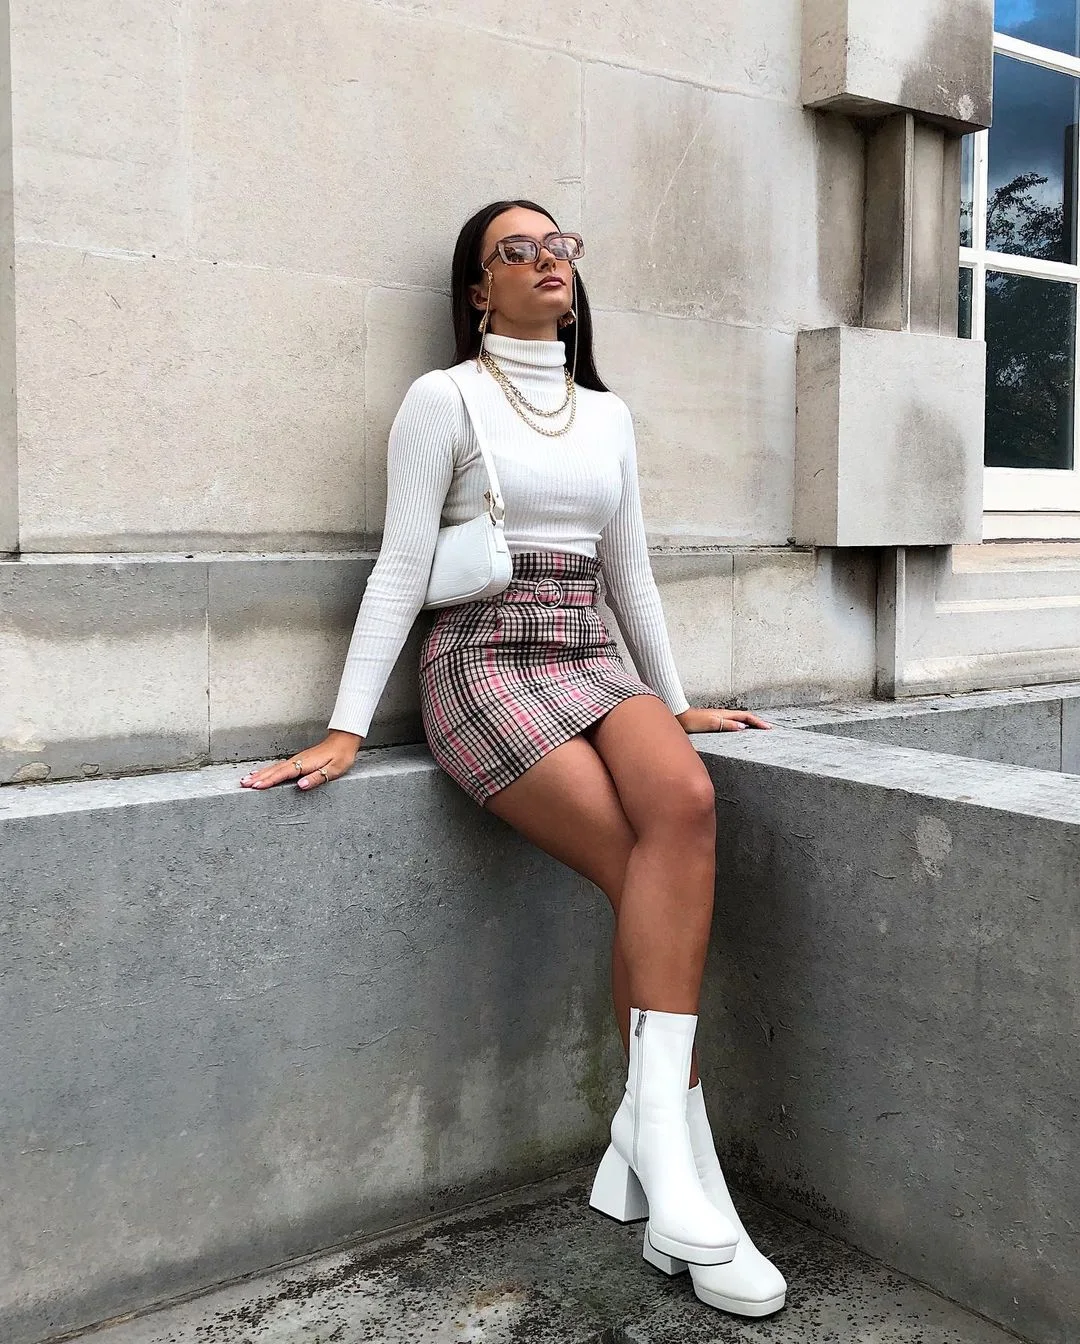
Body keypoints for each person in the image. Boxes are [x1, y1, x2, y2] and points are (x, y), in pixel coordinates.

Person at [240, 199, 786, 1317]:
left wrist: (674, 705)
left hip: (590, 645)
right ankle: (677, 1157)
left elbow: (629, 572)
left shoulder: (609, 417)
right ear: (478, 291)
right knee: (642, 871)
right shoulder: (443, 400)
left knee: (683, 800)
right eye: (517, 252)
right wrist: (348, 722)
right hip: (484, 659)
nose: (548, 263)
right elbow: (400, 565)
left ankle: (649, 1132)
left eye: (561, 246)